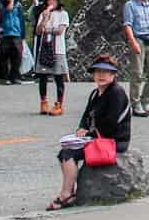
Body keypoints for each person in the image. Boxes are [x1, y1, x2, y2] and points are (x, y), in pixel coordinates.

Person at [49, 56, 133, 210]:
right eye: (98, 72)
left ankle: (66, 194)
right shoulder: (95, 93)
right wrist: (82, 128)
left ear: (113, 75)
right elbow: (86, 115)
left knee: (69, 154)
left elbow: (111, 124)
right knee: (64, 152)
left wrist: (89, 133)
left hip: (113, 141)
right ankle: (69, 191)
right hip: (96, 137)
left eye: (106, 72)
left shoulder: (117, 93)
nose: (101, 75)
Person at [121, 0, 149, 119]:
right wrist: (133, 42)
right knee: (137, 73)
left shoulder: (148, 5)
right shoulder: (129, 5)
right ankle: (135, 103)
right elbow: (127, 25)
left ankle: (145, 101)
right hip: (138, 39)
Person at [35, 0, 70, 115]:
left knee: (58, 77)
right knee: (42, 77)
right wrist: (44, 19)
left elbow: (60, 30)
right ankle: (43, 102)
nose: (51, 2)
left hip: (58, 49)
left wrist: (48, 29)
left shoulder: (63, 14)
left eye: (53, 0)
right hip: (44, 49)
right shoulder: (43, 14)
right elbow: (39, 31)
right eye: (49, 0)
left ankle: (59, 104)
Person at [0, 0, 26, 85]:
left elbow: (21, 19)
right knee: (3, 56)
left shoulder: (18, 5)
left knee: (17, 56)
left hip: (16, 33)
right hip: (4, 33)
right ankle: (4, 77)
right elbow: (3, 13)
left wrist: (23, 35)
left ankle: (15, 77)